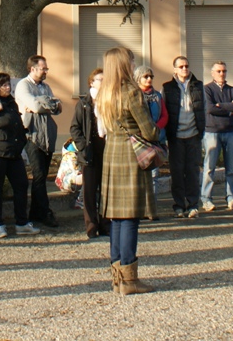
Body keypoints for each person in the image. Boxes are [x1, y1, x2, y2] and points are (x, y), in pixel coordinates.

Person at [97, 46, 160, 295]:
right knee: (130, 217)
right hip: (131, 155)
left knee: (116, 218)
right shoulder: (131, 92)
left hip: (112, 153)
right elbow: (149, 130)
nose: (134, 64)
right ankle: (130, 280)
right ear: (124, 64)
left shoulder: (104, 92)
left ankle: (117, 278)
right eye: (132, 61)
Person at [0, 72, 39, 238]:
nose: (8, 87)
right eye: (4, 85)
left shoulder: (11, 102)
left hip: (13, 150)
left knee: (21, 184)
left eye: (9, 84)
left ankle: (22, 223)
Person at [15, 55, 63, 229]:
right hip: (32, 135)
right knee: (39, 174)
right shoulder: (23, 86)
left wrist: (44, 104)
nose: (46, 72)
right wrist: (45, 104)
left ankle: (36, 212)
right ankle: (44, 212)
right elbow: (35, 106)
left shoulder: (46, 87)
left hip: (47, 135)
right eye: (43, 68)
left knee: (41, 175)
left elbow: (58, 107)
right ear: (32, 69)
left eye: (46, 69)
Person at [161, 55, 205, 218]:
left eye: (186, 66)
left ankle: (193, 205)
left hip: (193, 135)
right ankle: (179, 205)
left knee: (193, 171)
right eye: (181, 67)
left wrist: (201, 130)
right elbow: (163, 111)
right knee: (177, 172)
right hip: (176, 137)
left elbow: (203, 108)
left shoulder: (198, 86)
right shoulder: (167, 88)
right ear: (175, 69)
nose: (184, 69)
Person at [70, 68, 108, 240]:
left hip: (106, 149)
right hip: (89, 150)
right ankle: (91, 225)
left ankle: (106, 224)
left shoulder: (109, 101)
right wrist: (82, 147)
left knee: (106, 190)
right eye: (100, 79)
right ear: (91, 82)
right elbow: (75, 128)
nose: (103, 82)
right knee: (90, 191)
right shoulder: (84, 103)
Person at [201, 61, 233, 212]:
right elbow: (210, 108)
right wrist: (228, 107)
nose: (221, 74)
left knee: (230, 168)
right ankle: (206, 199)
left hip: (230, 132)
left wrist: (221, 106)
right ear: (212, 73)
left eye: (224, 71)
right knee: (209, 168)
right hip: (212, 132)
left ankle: (232, 198)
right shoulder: (207, 90)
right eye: (218, 71)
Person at [135, 65, 168, 211]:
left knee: (154, 175)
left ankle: (152, 208)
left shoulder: (157, 96)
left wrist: (156, 128)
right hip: (140, 142)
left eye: (151, 77)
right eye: (145, 76)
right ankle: (139, 208)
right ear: (138, 78)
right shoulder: (135, 95)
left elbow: (165, 115)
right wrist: (144, 131)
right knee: (139, 177)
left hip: (156, 140)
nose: (149, 79)